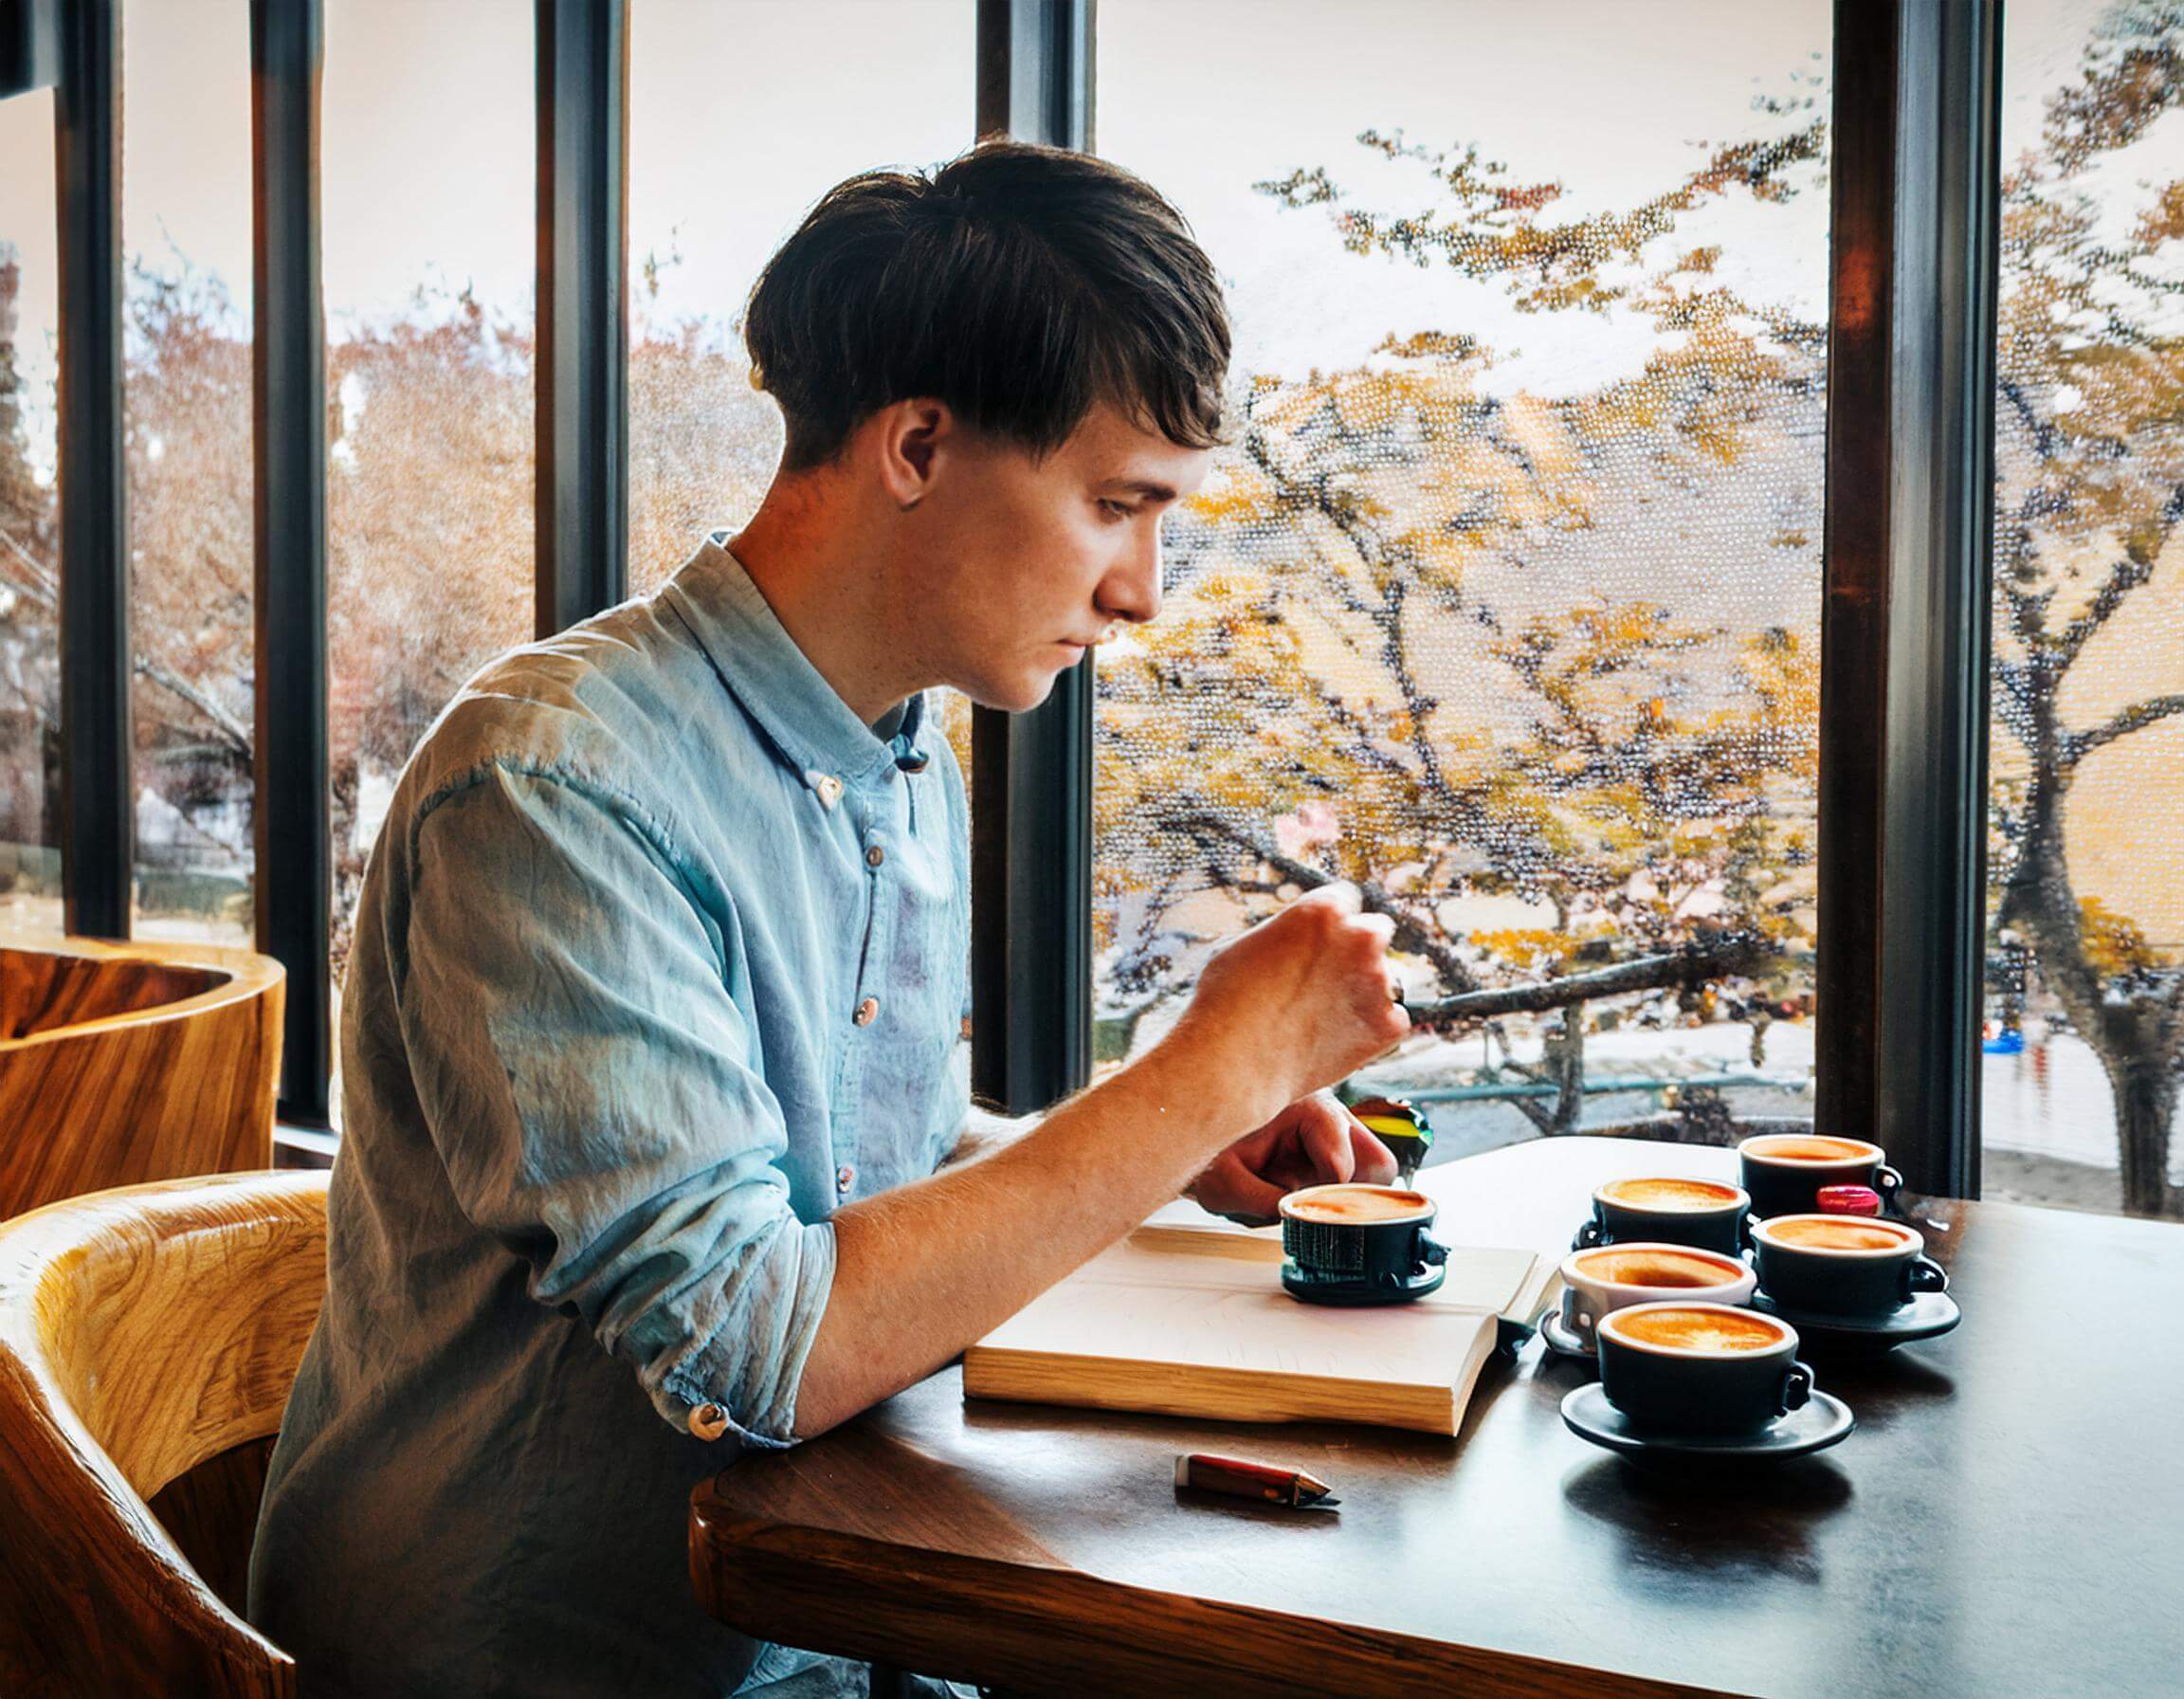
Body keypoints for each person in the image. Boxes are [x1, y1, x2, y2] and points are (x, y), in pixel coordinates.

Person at [247, 138, 1410, 1698]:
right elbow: (754, 1347)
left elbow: (859, 1177)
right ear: (918, 444)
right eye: (1117, 504)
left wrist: (1171, 1150)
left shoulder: (898, 753)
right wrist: (1207, 1070)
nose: (1144, 588)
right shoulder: (554, 788)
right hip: (560, 1656)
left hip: (844, 1629)